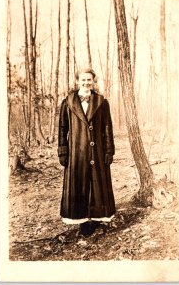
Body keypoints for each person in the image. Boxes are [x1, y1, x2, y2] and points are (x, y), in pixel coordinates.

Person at [58, 68, 116, 236]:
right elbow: (62, 129)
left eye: (89, 80)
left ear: (93, 81)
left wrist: (109, 150)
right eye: (83, 80)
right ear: (77, 81)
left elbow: (107, 128)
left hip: (97, 151)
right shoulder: (67, 102)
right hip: (77, 153)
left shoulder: (101, 102)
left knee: (98, 184)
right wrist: (63, 151)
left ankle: (98, 218)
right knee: (78, 185)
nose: (86, 83)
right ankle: (82, 221)